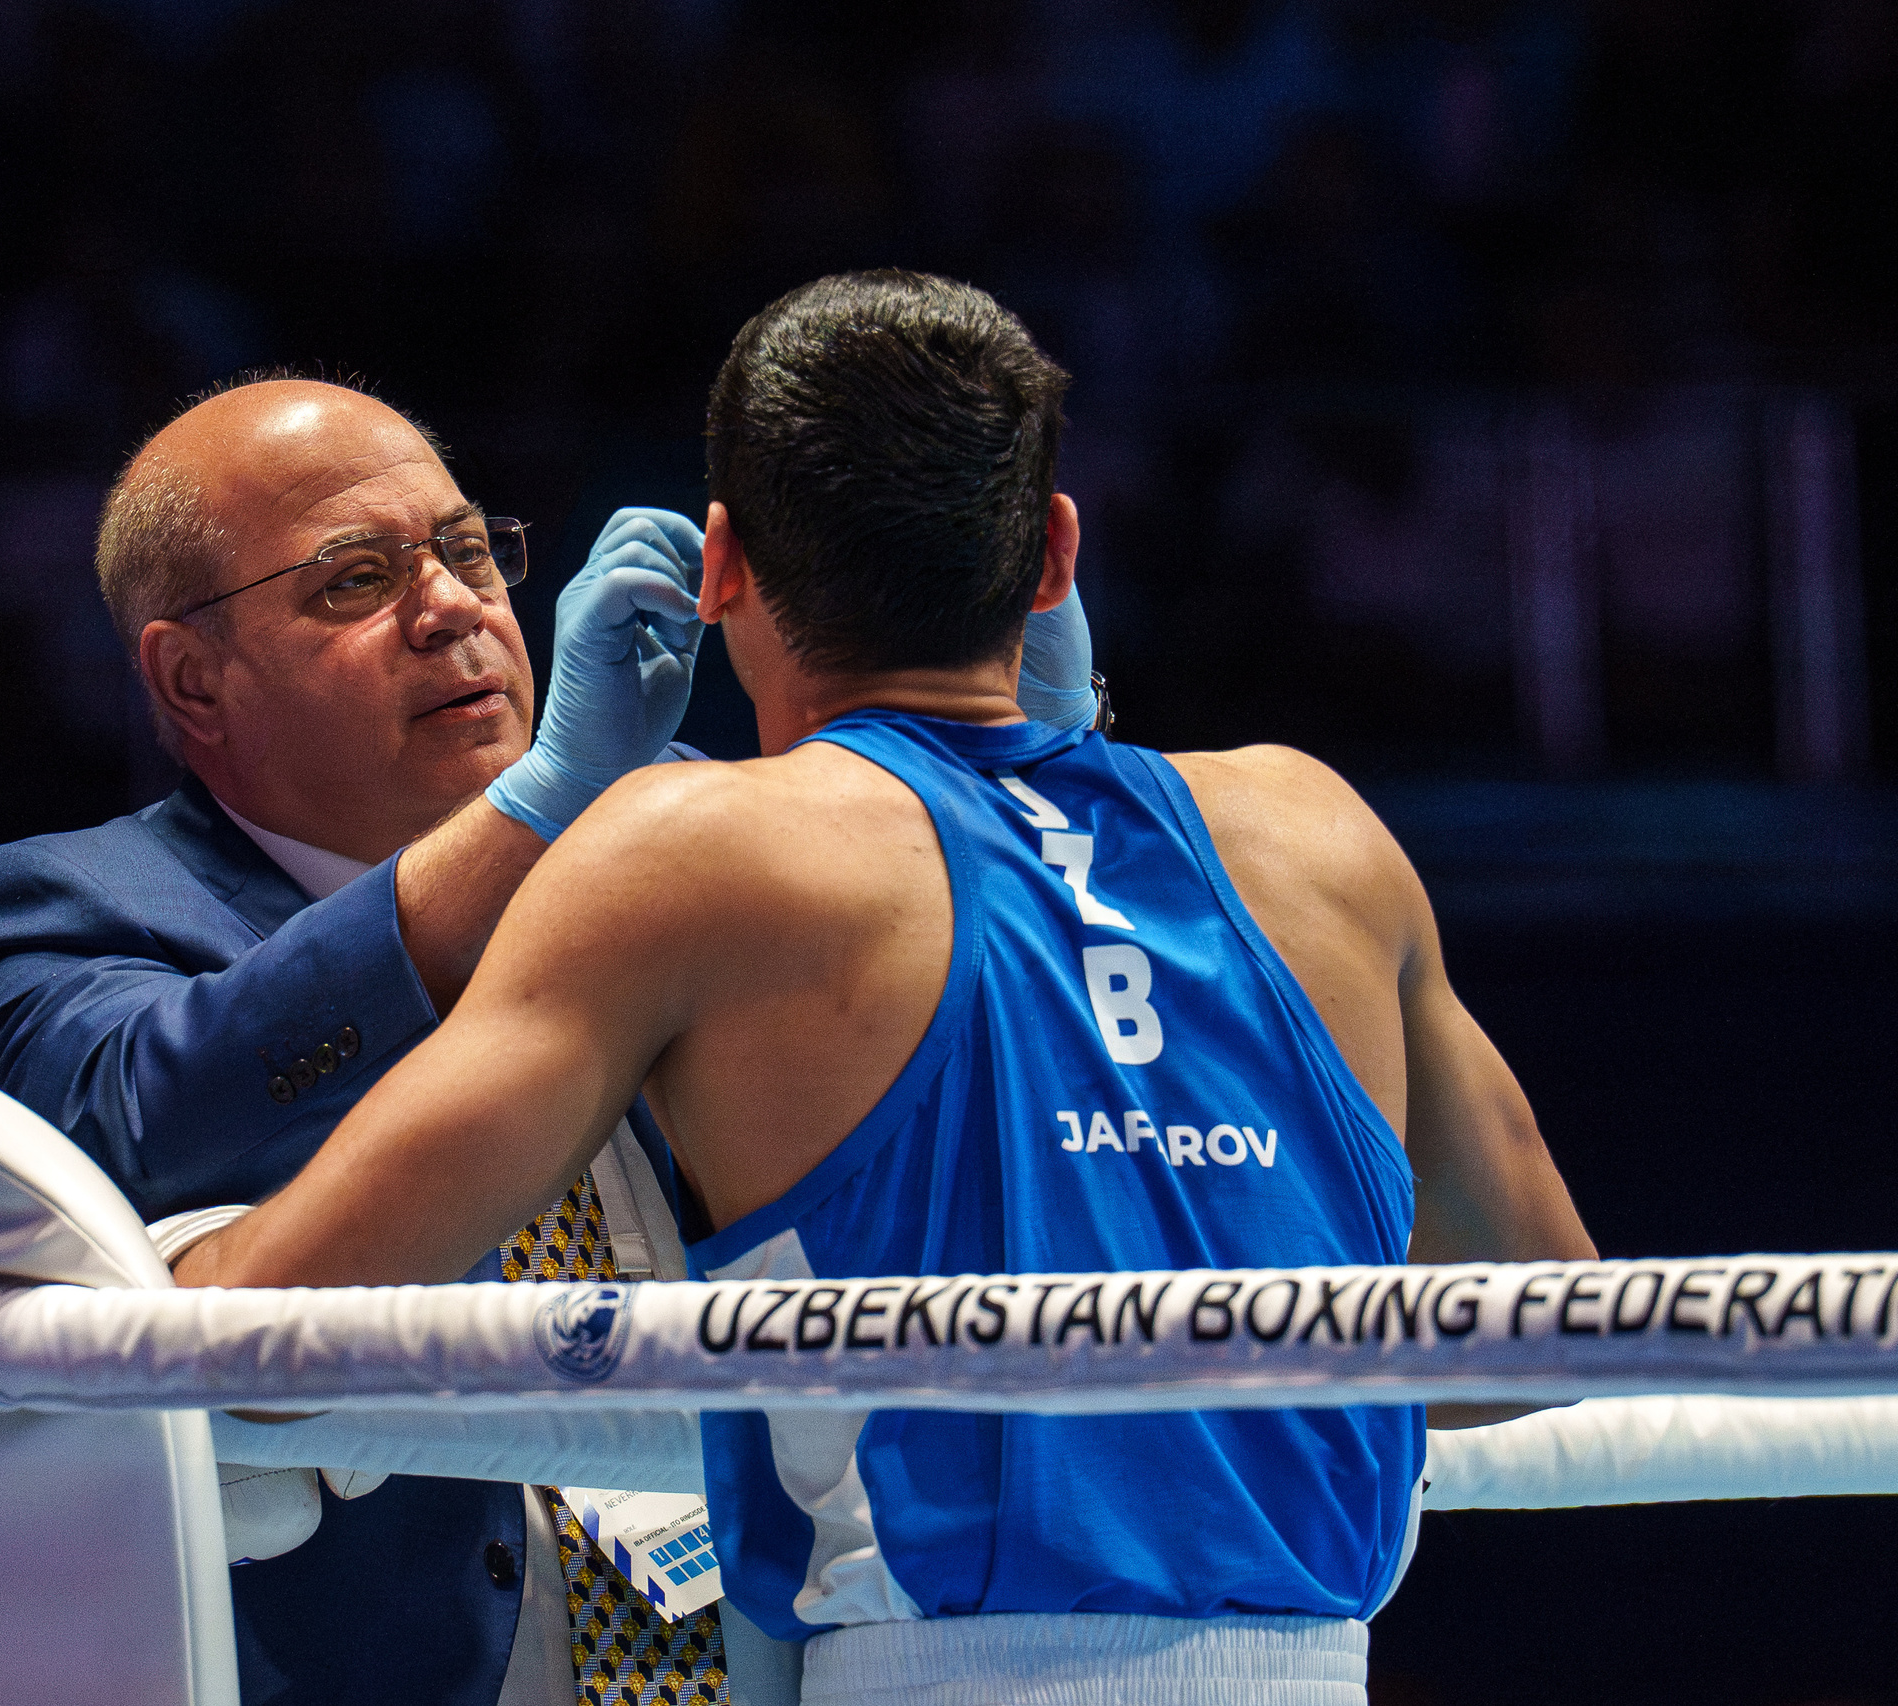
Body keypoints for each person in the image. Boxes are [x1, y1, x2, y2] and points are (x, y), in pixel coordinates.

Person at [173, 276, 1596, 1705]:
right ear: (1051, 556)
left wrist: (78, 1293)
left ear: (719, 565)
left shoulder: (692, 850)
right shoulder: (1318, 833)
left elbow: (276, 1324)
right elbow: (1541, 1319)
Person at [0, 368, 1109, 1704]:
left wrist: (1032, 782)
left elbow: (1023, 1053)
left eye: (468, 551)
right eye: (355, 579)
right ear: (193, 680)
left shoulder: (680, 835)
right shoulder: (63, 905)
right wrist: (538, 813)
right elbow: (148, 1108)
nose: (450, 607)